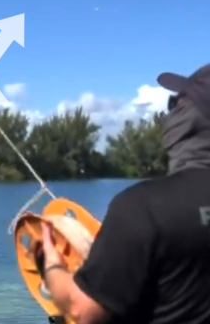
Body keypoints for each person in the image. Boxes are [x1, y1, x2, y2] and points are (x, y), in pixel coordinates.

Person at [38, 63, 210, 324]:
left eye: (177, 104)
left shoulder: (143, 207)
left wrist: (52, 265)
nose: (171, 111)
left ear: (189, 121)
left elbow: (80, 310)